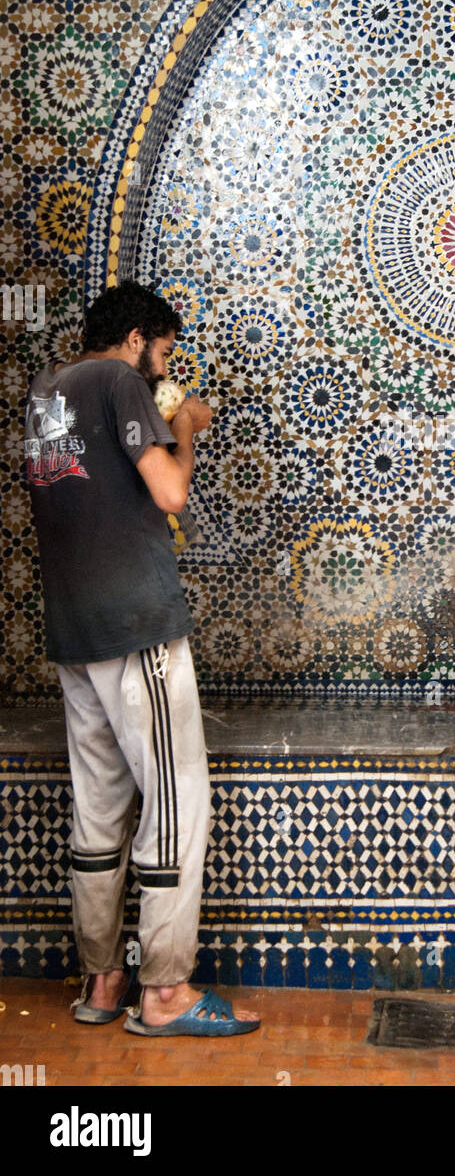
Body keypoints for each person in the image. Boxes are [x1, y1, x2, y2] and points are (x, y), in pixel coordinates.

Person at [24, 279, 260, 1037]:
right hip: (135, 629)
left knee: (98, 809)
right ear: (134, 339)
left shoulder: (46, 392)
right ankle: (164, 992)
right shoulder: (122, 381)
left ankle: (102, 980)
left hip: (73, 631)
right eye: (161, 351)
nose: (162, 366)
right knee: (177, 798)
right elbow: (169, 493)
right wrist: (185, 427)